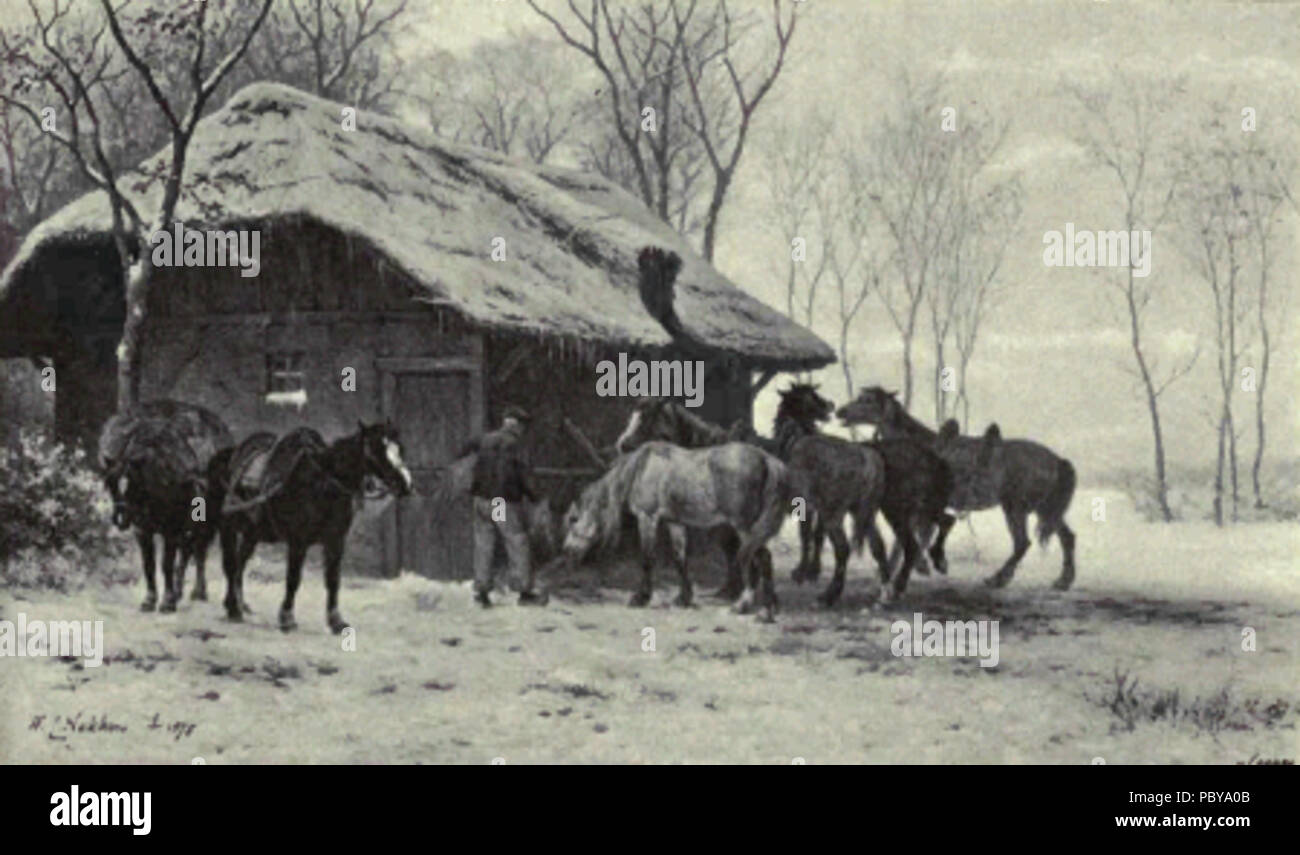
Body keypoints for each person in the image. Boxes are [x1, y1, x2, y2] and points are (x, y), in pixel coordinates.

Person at [459, 405, 547, 608]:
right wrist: (535, 496)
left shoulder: (483, 440)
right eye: (523, 426)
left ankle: (481, 593)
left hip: (480, 500)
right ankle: (524, 592)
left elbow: (465, 459)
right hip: (499, 501)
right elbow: (522, 476)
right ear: (517, 425)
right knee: (516, 542)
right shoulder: (514, 444)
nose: (524, 430)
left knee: (484, 544)